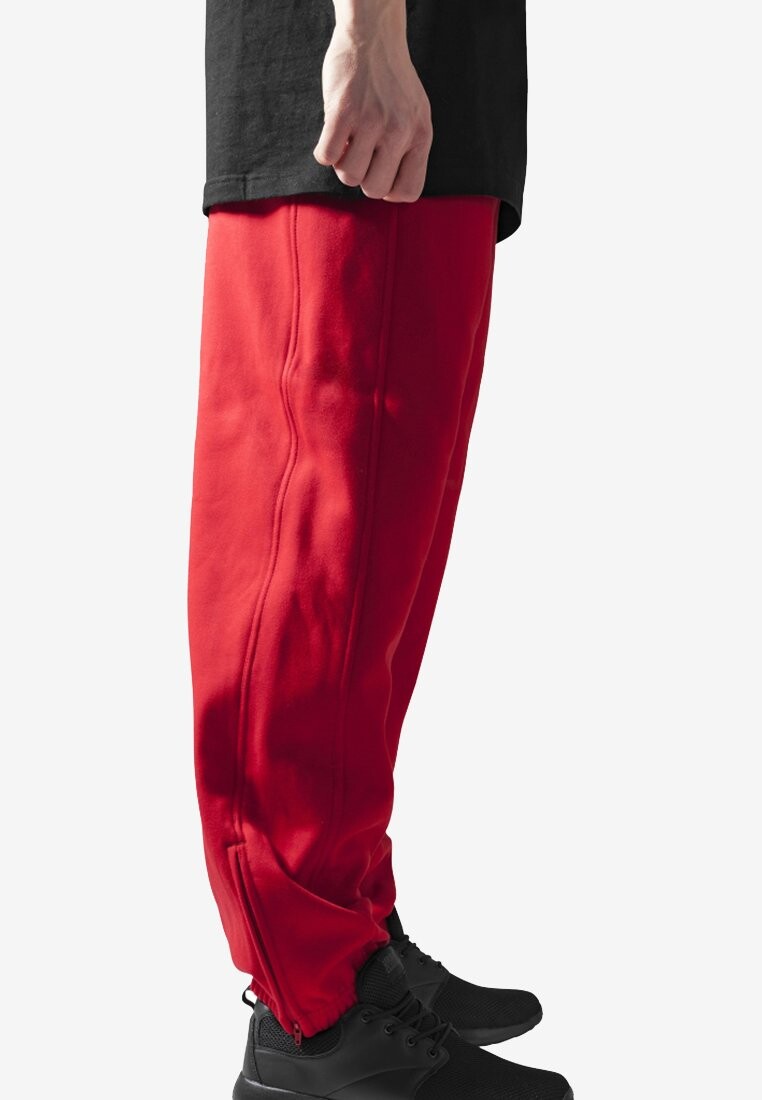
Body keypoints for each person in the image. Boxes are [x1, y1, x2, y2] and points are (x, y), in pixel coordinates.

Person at [188, 2, 573, 1097]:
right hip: (348, 89)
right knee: (311, 565)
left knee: (380, 583)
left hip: (437, 85)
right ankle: (312, 1008)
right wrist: (366, 31)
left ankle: (351, 933)